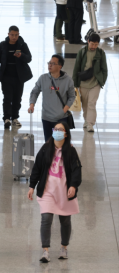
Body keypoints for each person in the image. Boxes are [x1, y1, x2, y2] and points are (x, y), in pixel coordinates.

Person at [28, 121, 81, 263]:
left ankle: (64, 247)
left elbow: (77, 170)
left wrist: (74, 186)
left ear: (65, 133)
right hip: (47, 191)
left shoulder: (71, 151)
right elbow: (37, 168)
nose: (56, 131)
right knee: (46, 219)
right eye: (55, 129)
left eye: (60, 129)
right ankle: (45, 250)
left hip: (64, 192)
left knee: (65, 220)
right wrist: (32, 186)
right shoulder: (46, 149)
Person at [0, 26, 33, 128]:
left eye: (16, 35)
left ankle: (15, 118)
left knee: (17, 98)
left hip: (19, 77)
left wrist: (21, 55)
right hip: (6, 77)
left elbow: (29, 58)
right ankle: (7, 118)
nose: (14, 37)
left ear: (18, 34)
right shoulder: (3, 45)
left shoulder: (22, 45)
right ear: (8, 34)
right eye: (12, 35)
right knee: (7, 98)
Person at [28, 54, 76, 142]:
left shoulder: (68, 80)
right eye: (49, 63)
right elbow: (35, 92)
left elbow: (72, 96)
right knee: (48, 142)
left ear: (59, 67)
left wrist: (64, 110)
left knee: (59, 143)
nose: (50, 65)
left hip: (61, 118)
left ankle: (60, 156)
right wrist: (32, 105)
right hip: (46, 118)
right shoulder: (43, 78)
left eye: (53, 63)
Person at [72, 33, 108, 132]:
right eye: (92, 44)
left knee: (91, 103)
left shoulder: (100, 53)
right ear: (88, 41)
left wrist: (102, 81)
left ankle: (90, 124)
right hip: (83, 83)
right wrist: (75, 84)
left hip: (95, 83)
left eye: (96, 45)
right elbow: (76, 68)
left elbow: (104, 69)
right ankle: (87, 120)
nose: (94, 47)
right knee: (85, 104)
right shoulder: (82, 52)